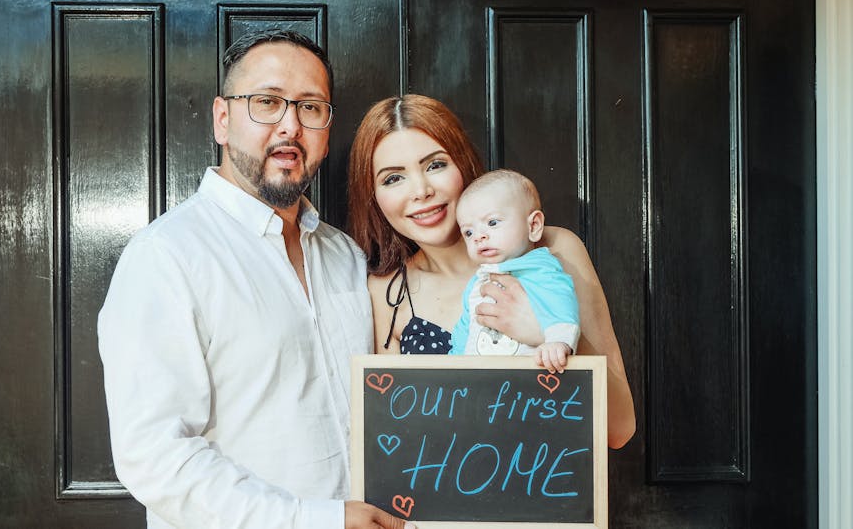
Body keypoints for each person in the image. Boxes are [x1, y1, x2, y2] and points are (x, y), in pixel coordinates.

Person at [98, 30, 414, 529]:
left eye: (310, 108)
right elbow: (154, 456)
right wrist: (319, 520)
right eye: (267, 102)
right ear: (222, 120)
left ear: (327, 130)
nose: (290, 125)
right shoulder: (165, 258)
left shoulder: (346, 256)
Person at [347, 94, 636, 449]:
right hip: (448, 493)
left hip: (548, 489)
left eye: (435, 165)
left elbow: (619, 429)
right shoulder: (388, 293)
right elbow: (394, 441)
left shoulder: (551, 251)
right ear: (373, 195)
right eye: (393, 179)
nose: (421, 191)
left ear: (463, 165)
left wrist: (546, 331)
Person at [449, 169, 580, 372]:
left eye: (492, 223)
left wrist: (558, 341)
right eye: (468, 232)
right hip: (478, 384)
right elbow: (464, 327)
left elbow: (561, 304)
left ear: (534, 226)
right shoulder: (478, 281)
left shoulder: (541, 270)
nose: (478, 236)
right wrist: (450, 363)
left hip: (528, 386)